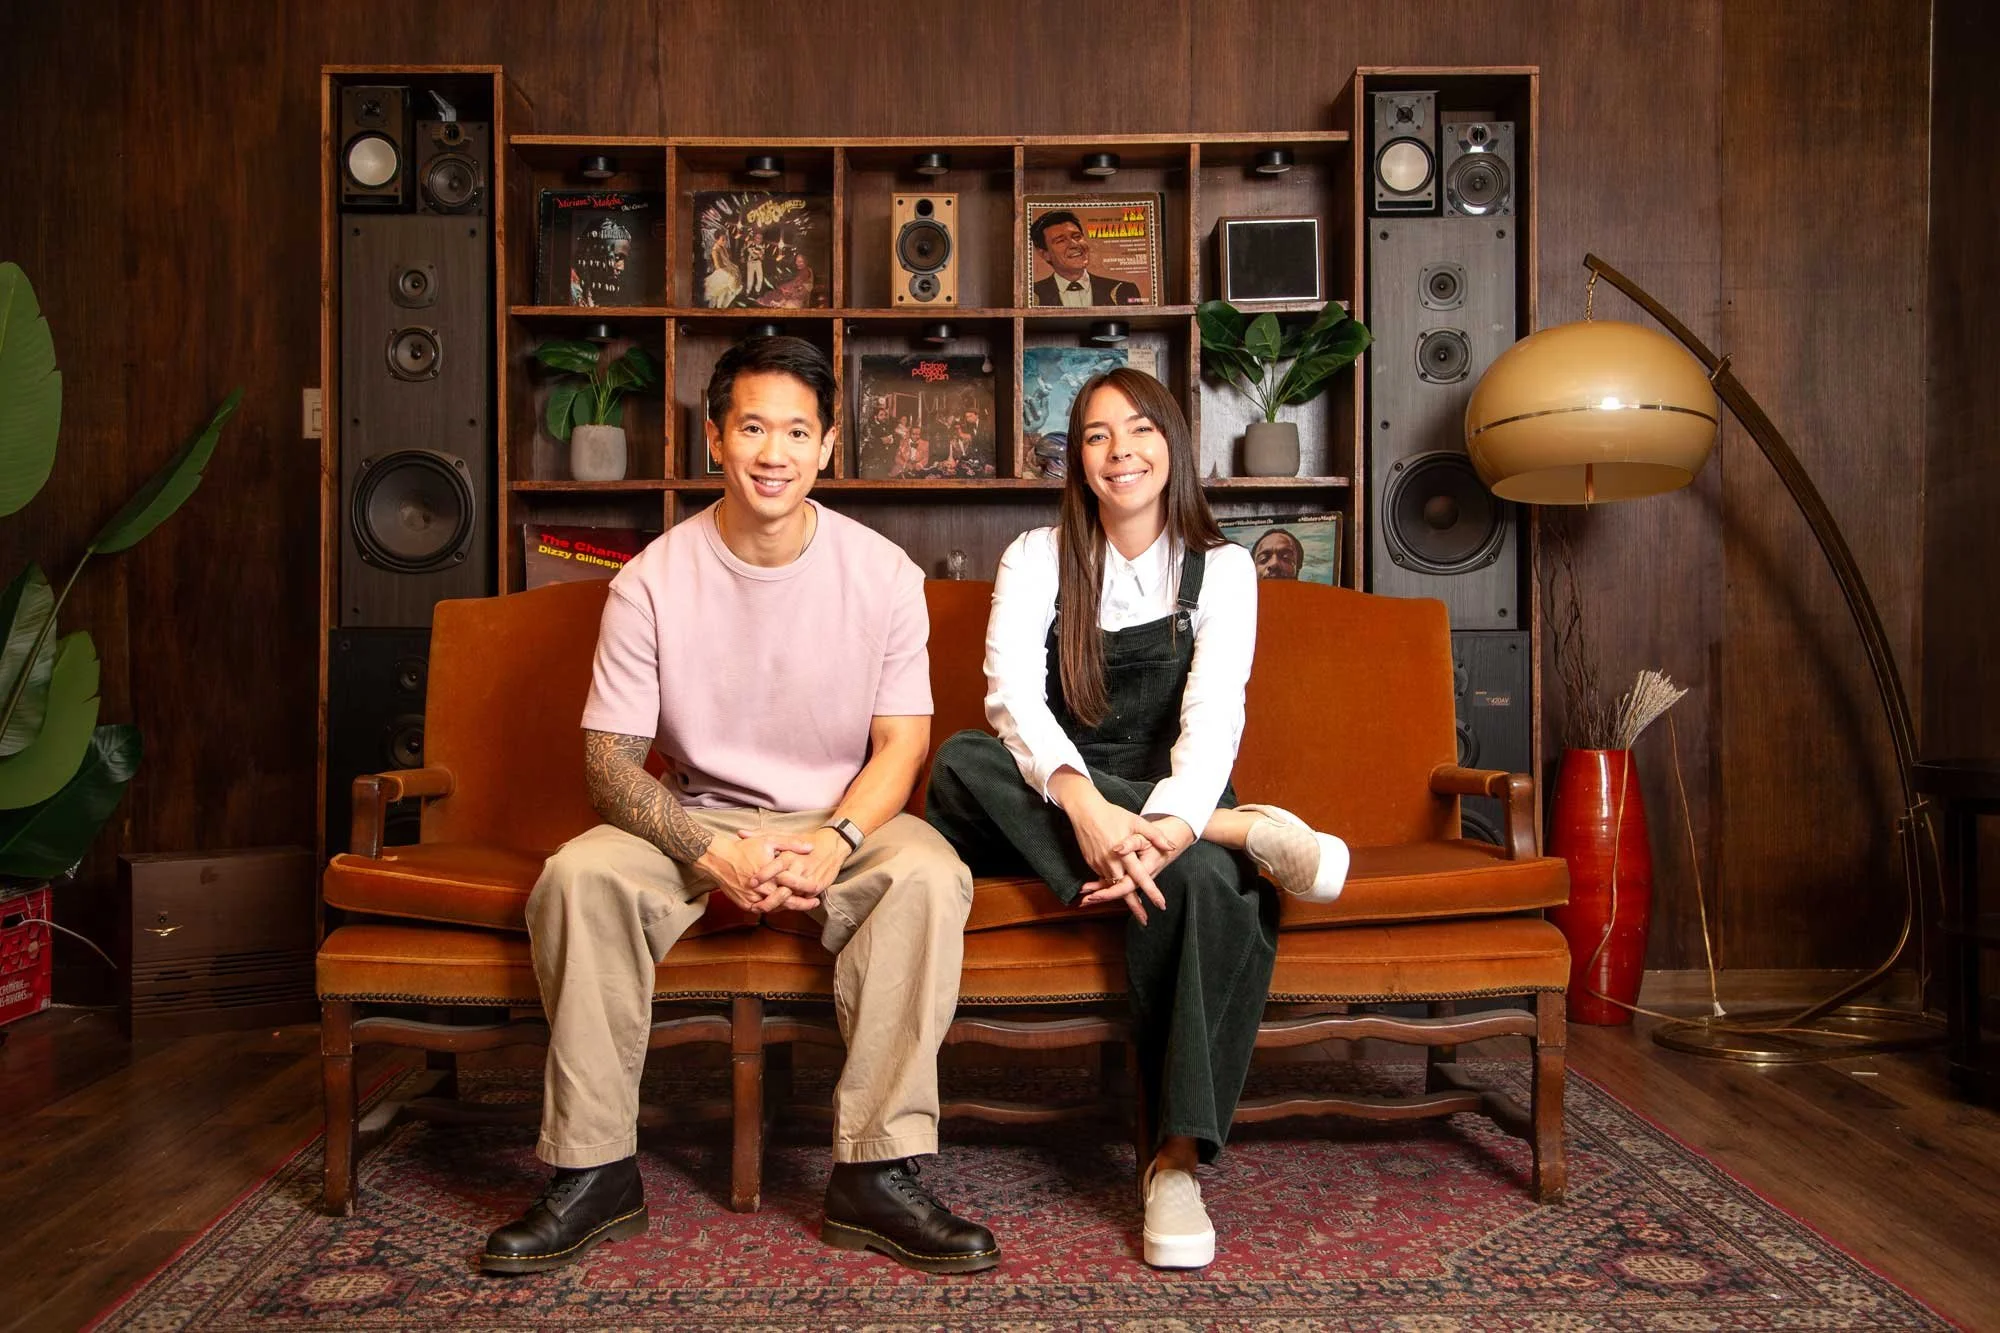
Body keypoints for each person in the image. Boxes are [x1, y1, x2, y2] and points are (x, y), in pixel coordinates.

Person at [483, 336, 998, 1277]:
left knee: (930, 873)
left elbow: (903, 746)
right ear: (716, 438)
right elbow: (608, 764)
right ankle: (594, 1170)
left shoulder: (883, 574)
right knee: (578, 875)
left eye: (797, 431)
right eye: (753, 426)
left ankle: (877, 1172)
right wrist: (707, 851)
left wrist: (840, 838)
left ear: (829, 445)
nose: (775, 452)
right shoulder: (649, 580)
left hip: (841, 815)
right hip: (696, 817)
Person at [924, 366, 1348, 1271]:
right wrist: (1082, 806)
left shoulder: (1225, 569)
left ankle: (1176, 1157)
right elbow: (1012, 702)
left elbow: (1214, 715)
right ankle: (1246, 831)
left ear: (1173, 444)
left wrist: (1178, 825)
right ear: (1076, 461)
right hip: (1057, 796)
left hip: (1171, 801)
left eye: (1141, 430)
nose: (1121, 452)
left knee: (1202, 882)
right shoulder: (1036, 556)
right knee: (960, 760)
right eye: (1096, 435)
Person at [1030, 210, 1142, 307]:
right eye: (1061, 241)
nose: (1074, 244)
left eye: (1077, 236)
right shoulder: (1031, 295)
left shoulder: (1124, 290)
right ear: (1044, 254)